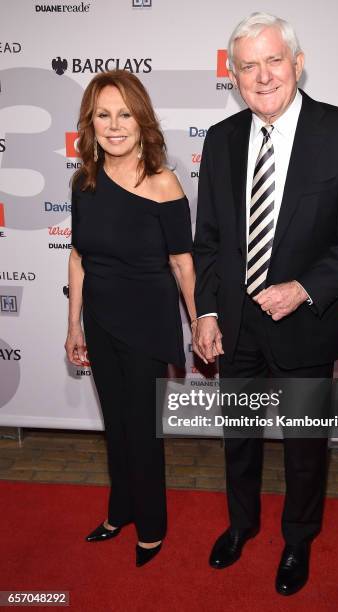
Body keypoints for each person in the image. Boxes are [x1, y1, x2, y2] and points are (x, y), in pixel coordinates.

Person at [193, 13, 338, 595]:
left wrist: (303, 288)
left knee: (304, 446)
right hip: (237, 325)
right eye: (248, 65)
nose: (263, 75)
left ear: (297, 64)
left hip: (307, 321)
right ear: (235, 76)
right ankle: (240, 526)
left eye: (273, 60)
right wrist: (206, 311)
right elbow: (210, 243)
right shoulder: (221, 140)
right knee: (239, 438)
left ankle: (298, 540)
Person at [65, 70, 196, 567]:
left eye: (124, 114)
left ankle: (153, 525)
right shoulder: (84, 181)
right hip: (99, 318)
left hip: (145, 323)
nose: (114, 125)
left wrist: (200, 322)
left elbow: (183, 262)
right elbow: (78, 256)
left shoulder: (163, 183)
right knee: (114, 425)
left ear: (142, 121)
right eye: (103, 115)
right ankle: (119, 511)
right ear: (91, 123)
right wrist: (74, 323)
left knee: (142, 429)